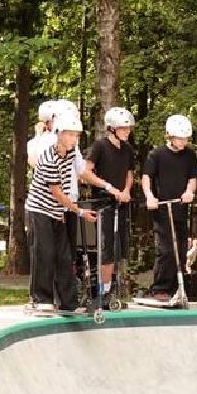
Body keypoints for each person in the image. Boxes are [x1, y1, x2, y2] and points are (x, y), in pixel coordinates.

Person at [24, 109, 95, 311]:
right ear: (59, 134)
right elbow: (57, 193)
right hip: (39, 209)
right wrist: (79, 211)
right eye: (70, 134)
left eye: (76, 135)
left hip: (57, 210)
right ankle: (40, 298)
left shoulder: (71, 153)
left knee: (64, 256)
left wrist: (64, 212)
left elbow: (71, 181)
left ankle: (68, 302)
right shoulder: (48, 158)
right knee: (44, 252)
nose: (74, 139)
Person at [141, 114, 197, 305]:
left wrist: (190, 191)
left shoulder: (190, 155)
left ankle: (177, 287)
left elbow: (193, 178)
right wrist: (150, 196)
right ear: (169, 136)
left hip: (181, 207)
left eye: (185, 139)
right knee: (166, 249)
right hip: (162, 208)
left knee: (181, 250)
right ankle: (160, 288)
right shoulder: (156, 155)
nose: (183, 142)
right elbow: (147, 177)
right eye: (180, 138)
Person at [83, 107, 137, 304]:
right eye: (124, 128)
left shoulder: (128, 149)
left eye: (128, 128)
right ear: (112, 128)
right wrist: (109, 188)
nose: (127, 131)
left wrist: (126, 191)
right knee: (105, 248)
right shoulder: (100, 146)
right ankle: (101, 291)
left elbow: (129, 174)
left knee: (117, 249)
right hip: (103, 203)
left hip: (120, 203)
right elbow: (86, 172)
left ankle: (111, 288)